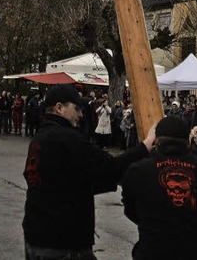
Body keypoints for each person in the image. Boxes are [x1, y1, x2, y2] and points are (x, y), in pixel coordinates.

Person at [22, 84, 156, 260]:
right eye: (76, 108)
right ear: (59, 108)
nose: (81, 114)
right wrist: (145, 146)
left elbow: (67, 181)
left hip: (37, 234)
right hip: (64, 240)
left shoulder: (40, 137)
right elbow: (108, 166)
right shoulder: (68, 138)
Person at [121, 116, 197, 259]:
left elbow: (130, 208)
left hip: (154, 250)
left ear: (156, 141)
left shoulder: (138, 170)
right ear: (188, 141)